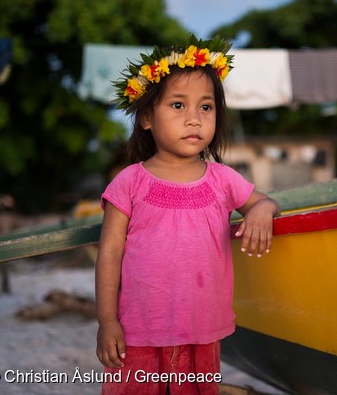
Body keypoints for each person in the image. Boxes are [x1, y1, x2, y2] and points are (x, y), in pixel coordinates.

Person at [95, 34, 280, 395]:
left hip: (202, 331)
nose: (194, 119)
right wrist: (106, 321)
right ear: (147, 117)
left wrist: (261, 211)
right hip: (138, 331)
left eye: (206, 107)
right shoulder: (130, 182)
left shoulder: (223, 180)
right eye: (178, 106)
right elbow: (109, 255)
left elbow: (265, 202)